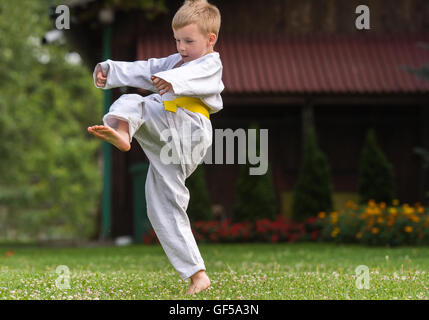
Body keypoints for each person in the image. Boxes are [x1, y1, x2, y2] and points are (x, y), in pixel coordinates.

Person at [88, 0, 223, 294]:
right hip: (169, 142)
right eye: (177, 40)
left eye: (189, 40)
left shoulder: (210, 63)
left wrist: (170, 79)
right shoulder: (174, 61)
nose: (182, 46)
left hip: (191, 130)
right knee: (161, 205)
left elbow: (192, 77)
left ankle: (125, 131)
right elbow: (144, 69)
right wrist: (109, 71)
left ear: (210, 39)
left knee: (143, 102)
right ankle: (197, 274)